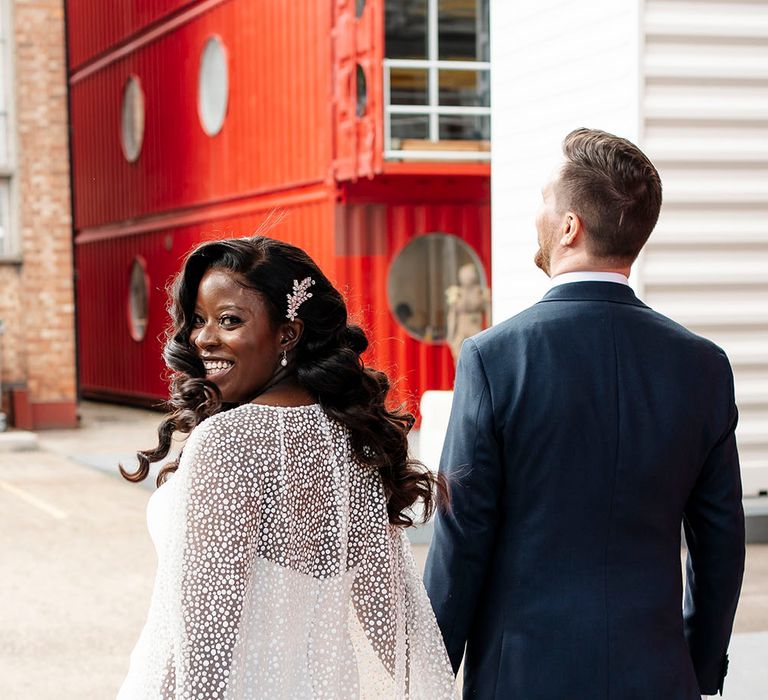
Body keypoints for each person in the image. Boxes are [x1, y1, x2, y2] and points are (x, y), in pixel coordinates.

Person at [424, 128, 745, 699]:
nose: (537, 217)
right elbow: (720, 542)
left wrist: (428, 673)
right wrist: (694, 669)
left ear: (570, 226)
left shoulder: (494, 358)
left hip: (521, 679)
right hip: (657, 677)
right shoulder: (703, 367)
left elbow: (461, 538)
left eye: (545, 203)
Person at [117, 236, 456, 699]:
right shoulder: (352, 440)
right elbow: (392, 621)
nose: (202, 338)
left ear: (288, 333)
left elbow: (206, 638)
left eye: (229, 320)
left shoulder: (226, 442)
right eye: (198, 320)